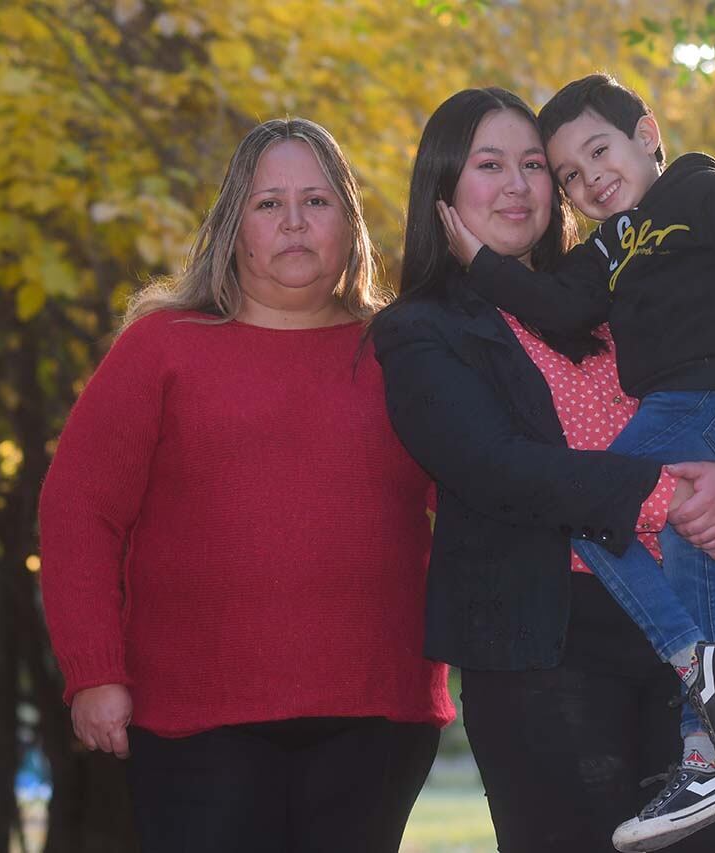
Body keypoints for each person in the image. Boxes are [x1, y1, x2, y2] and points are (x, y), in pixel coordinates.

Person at [371, 87, 715, 853]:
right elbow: (498, 468)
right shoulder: (419, 332)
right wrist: (668, 495)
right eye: (491, 164)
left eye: (537, 166)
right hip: (549, 646)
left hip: (706, 615)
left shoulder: (622, 285)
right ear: (443, 191)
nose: (521, 184)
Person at [38, 118, 454, 853]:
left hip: (377, 714)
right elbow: (78, 510)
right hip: (195, 718)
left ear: (350, 223)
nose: (294, 222)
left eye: (317, 202)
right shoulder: (161, 349)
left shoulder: (407, 350)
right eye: (269, 204)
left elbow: (474, 502)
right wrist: (93, 670)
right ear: (235, 225)